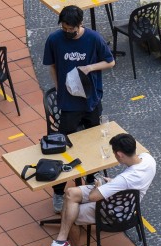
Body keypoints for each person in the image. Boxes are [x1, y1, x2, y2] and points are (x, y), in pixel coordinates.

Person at [41, 133, 156, 246]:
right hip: (126, 200)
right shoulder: (148, 159)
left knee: (68, 215)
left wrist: (98, 186)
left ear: (119, 154)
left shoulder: (123, 180)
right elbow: (130, 183)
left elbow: (93, 197)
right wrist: (111, 182)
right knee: (70, 193)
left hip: (114, 211)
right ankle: (61, 240)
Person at [42, 5, 115, 213]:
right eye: (64, 28)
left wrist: (90, 67)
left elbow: (110, 62)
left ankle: (91, 182)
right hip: (68, 105)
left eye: (70, 30)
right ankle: (58, 192)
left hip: (91, 100)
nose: (67, 32)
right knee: (64, 148)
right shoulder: (55, 40)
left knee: (94, 142)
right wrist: (58, 87)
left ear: (79, 25)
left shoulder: (93, 38)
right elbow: (52, 66)